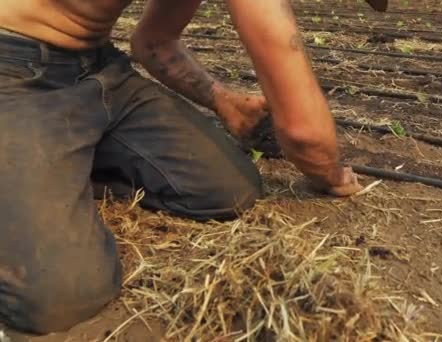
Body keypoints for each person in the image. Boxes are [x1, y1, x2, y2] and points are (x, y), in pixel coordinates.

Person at [0, 0, 366, 334]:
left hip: (97, 67)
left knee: (227, 190)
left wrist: (224, 102)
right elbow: (305, 134)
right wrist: (329, 172)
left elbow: (155, 42)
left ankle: (49, 168)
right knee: (59, 295)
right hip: (13, 66)